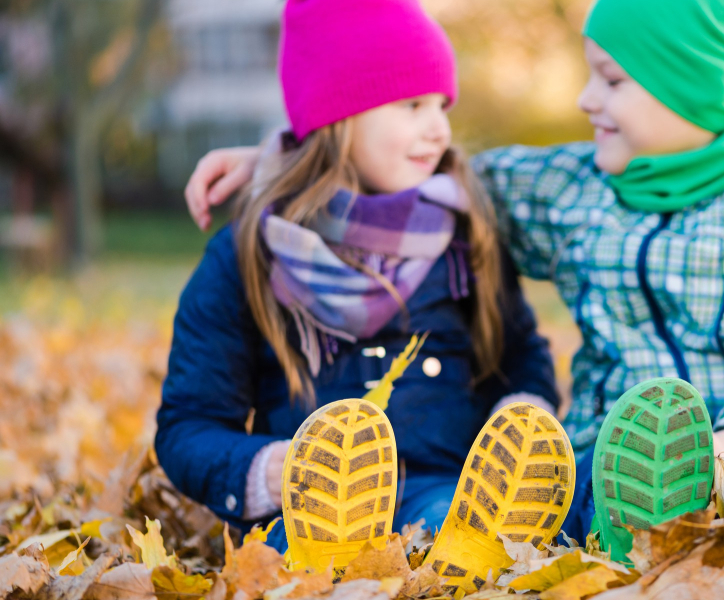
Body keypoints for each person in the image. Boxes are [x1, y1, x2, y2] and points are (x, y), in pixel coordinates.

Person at [181, 0, 724, 565]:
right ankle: (627, 518)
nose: (583, 98)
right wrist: (291, 157)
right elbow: (409, 179)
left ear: (685, 85)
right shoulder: (570, 189)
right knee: (568, 505)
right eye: (590, 74)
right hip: (598, 458)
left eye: (611, 80)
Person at [155, 0, 575, 591]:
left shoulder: (463, 235)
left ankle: (500, 543)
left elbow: (518, 354)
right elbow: (188, 425)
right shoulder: (248, 255)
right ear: (339, 115)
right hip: (307, 511)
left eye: (441, 107)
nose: (439, 129)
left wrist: (519, 416)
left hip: (444, 488)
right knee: (302, 558)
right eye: (412, 105)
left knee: (457, 534)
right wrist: (276, 471)